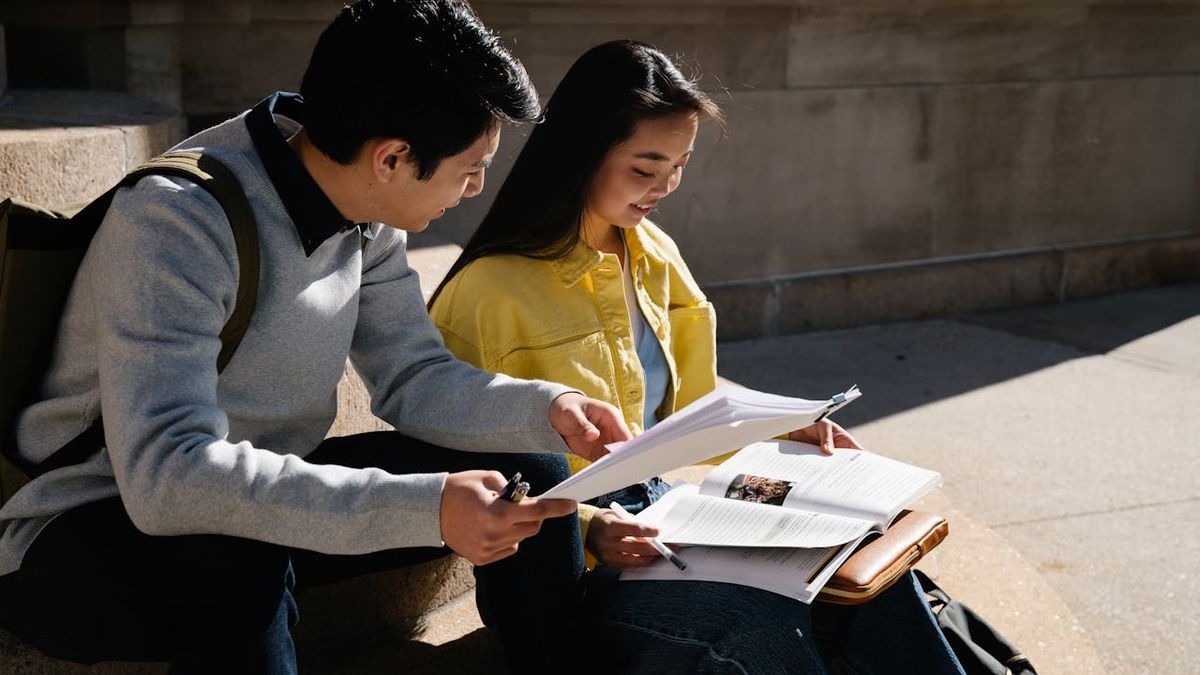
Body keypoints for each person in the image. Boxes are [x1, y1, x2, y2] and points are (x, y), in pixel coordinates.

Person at [0, 2, 633, 673]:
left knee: (527, 467)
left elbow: (413, 377)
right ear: (392, 157)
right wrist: (422, 506)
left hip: (265, 501)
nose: (475, 189)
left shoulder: (367, 208)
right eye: (469, 168)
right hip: (85, 526)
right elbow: (167, 477)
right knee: (233, 556)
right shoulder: (175, 221)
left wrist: (548, 410)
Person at [429, 40, 966, 674]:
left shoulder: (651, 251)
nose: (663, 187)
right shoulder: (487, 293)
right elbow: (460, 471)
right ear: (582, 153)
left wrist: (783, 429)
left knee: (857, 550)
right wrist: (589, 529)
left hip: (663, 515)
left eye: (679, 164)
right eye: (644, 167)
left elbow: (689, 413)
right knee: (752, 620)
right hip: (559, 576)